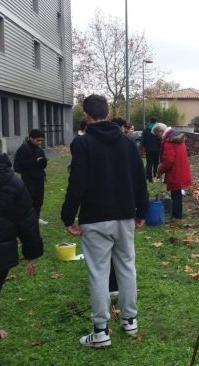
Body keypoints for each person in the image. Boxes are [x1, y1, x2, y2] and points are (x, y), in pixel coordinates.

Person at [61, 94, 148, 348]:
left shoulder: (83, 143)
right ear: (108, 114)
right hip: (123, 216)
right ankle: (130, 320)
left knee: (98, 273)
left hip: (95, 218)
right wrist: (141, 211)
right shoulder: (128, 142)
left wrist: (68, 217)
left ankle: (101, 331)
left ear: (86, 116)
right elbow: (139, 179)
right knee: (127, 267)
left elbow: (76, 183)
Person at [0, 126, 43, 366]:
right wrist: (31, 253)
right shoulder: (12, 181)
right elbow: (27, 221)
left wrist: (31, 252)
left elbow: (27, 219)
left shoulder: (11, 182)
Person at [154, 123, 192, 220]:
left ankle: (176, 216)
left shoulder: (169, 142)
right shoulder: (176, 138)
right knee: (177, 193)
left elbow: (168, 161)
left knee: (176, 194)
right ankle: (176, 214)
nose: (158, 137)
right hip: (180, 169)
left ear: (160, 132)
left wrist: (160, 169)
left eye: (157, 135)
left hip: (176, 171)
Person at [13, 129, 48, 225]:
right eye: (38, 140)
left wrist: (43, 162)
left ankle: (36, 218)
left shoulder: (40, 149)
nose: (40, 142)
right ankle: (28, 220)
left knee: (39, 200)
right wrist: (34, 161)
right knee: (29, 200)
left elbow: (43, 165)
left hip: (39, 178)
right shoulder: (23, 149)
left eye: (41, 140)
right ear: (31, 138)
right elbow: (18, 165)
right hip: (29, 179)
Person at [141, 116, 161, 183]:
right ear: (156, 122)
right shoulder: (158, 130)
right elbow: (160, 139)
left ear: (150, 121)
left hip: (149, 149)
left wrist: (143, 148)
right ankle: (155, 176)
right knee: (156, 163)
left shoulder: (145, 130)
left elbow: (142, 140)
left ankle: (149, 179)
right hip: (157, 149)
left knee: (149, 163)